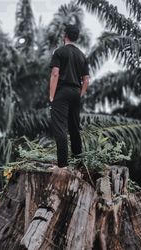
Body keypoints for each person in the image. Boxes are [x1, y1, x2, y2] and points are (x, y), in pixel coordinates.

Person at [49, 24, 90, 169]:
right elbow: (86, 80)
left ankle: (62, 166)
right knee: (74, 128)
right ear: (76, 37)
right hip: (76, 92)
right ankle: (79, 164)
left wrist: (52, 97)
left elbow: (55, 74)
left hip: (62, 92)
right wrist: (80, 94)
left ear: (64, 35)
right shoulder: (81, 55)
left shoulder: (59, 52)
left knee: (60, 128)